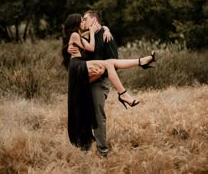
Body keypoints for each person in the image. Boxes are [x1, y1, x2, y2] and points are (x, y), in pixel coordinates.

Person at [62, 13, 155, 153]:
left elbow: (91, 35)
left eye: (85, 19)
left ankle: (141, 62)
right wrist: (92, 33)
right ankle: (124, 93)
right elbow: (90, 48)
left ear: (94, 20)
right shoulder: (78, 35)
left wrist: (106, 28)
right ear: (77, 24)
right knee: (108, 63)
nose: (83, 22)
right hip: (79, 68)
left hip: (88, 72)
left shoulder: (94, 35)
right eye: (81, 21)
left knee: (110, 63)